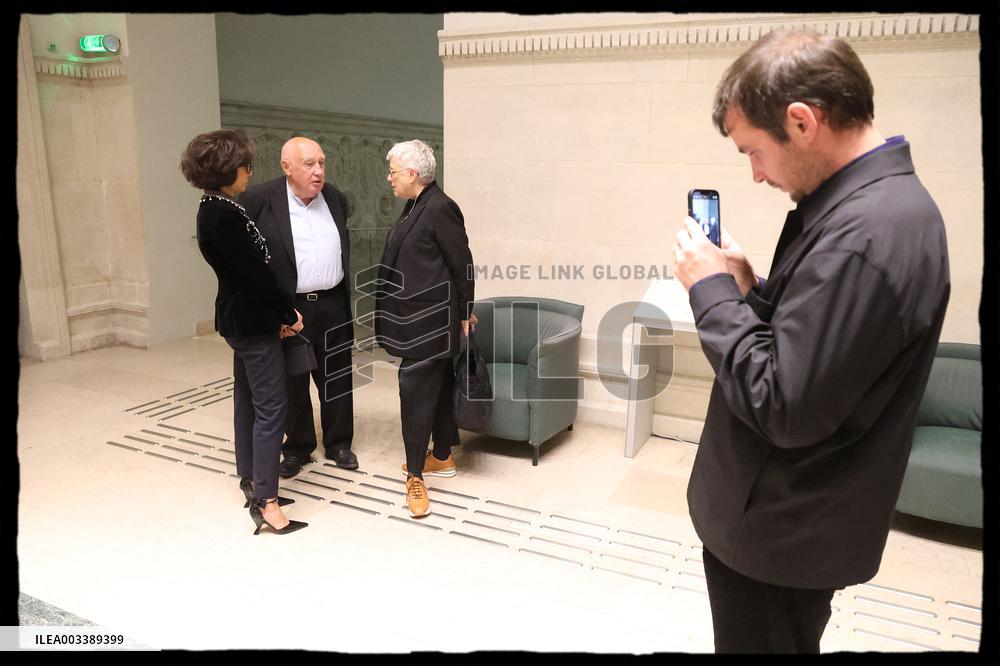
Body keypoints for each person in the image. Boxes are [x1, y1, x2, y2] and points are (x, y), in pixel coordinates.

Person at [672, 29, 949, 653]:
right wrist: (750, 290)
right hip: (791, 523)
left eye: (754, 151)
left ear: (802, 122)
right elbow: (820, 346)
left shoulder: (866, 234)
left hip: (782, 530)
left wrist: (710, 291)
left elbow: (783, 403)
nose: (755, 174)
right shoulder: (870, 211)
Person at [180, 129, 308, 535]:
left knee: (248, 402)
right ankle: (267, 502)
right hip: (251, 322)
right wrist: (287, 312)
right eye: (244, 166)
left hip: (242, 318)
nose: (250, 172)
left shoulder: (216, 207)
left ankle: (251, 479)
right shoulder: (223, 214)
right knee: (272, 408)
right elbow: (255, 277)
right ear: (226, 169)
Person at [240, 137, 358, 478]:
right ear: (286, 166)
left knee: (337, 376)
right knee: (293, 379)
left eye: (321, 163)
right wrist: (270, 310)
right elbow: (249, 260)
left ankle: (339, 443)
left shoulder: (335, 198)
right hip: (290, 308)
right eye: (309, 164)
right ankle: (297, 447)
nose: (318, 171)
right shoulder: (259, 200)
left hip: (333, 303)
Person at [375, 140, 476, 518]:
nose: (389, 179)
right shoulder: (415, 205)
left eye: (393, 172)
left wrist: (466, 310)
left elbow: (462, 262)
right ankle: (443, 456)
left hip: (429, 322)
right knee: (438, 388)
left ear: (413, 174)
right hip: (415, 318)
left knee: (415, 394)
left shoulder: (439, 208)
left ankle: (415, 476)